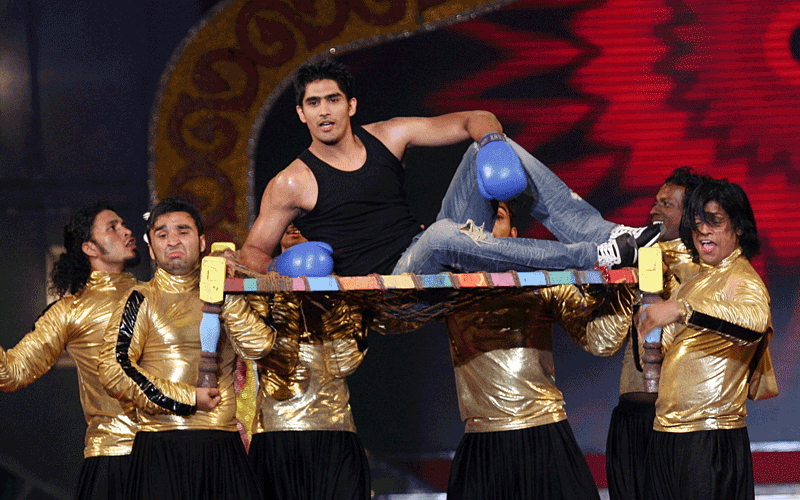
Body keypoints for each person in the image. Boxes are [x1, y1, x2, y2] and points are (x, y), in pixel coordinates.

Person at [240, 58, 660, 277]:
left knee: (488, 151)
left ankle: (608, 236)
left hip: (431, 251)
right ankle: (595, 257)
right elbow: (253, 252)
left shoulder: (389, 135)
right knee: (441, 234)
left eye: (332, 100)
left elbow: (474, 117)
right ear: (301, 114)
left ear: (350, 105)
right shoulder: (290, 182)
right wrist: (280, 266)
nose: (324, 111)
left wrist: (493, 141)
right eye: (313, 103)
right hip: (395, 289)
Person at [444, 201, 637, 500]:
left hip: (545, 435)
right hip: (483, 447)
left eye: (496, 216)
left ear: (515, 234)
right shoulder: (448, 285)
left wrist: (619, 283)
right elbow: (390, 322)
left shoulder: (543, 280)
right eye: (476, 216)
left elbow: (602, 342)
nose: (486, 223)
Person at [98, 197, 276, 500]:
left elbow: (259, 347)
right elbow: (113, 369)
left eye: (183, 231)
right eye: (162, 235)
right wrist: (188, 397)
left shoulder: (225, 291)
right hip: (160, 445)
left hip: (222, 443)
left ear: (202, 241)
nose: (173, 241)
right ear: (151, 249)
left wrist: (225, 293)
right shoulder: (140, 298)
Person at [634, 179, 778, 500]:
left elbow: (755, 323)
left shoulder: (741, 277)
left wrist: (680, 309)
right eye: (697, 222)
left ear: (738, 228)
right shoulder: (696, 281)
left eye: (714, 221)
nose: (703, 231)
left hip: (710, 439)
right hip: (667, 434)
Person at [0, 201, 140, 500]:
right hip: (113, 455)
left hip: (173, 447)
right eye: (113, 227)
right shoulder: (69, 311)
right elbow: (12, 373)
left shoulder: (158, 294)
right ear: (90, 248)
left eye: (124, 224)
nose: (127, 231)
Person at [246, 223, 371, 500]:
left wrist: (329, 296)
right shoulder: (257, 288)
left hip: (336, 430)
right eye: (286, 217)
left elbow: (347, 362)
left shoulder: (344, 287)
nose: (293, 225)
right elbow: (276, 359)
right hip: (278, 433)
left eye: (305, 217)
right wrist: (285, 295)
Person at [605, 167, 707, 500]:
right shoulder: (636, 261)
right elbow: (602, 341)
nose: (654, 210)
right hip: (630, 419)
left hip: (679, 420)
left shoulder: (708, 272)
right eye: (655, 202)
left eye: (667, 204)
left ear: (692, 215)